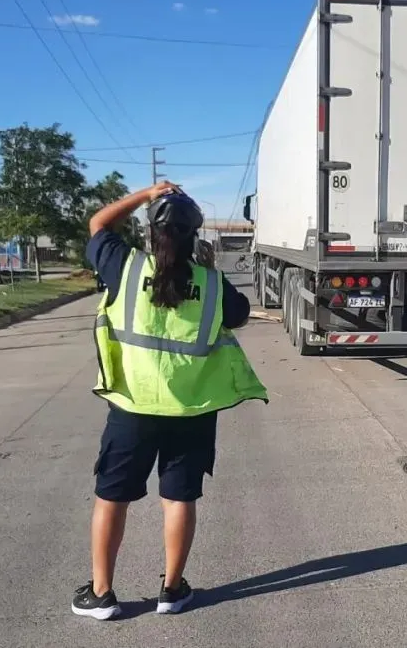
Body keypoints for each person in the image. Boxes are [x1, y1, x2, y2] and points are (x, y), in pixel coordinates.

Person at [73, 181, 268, 620]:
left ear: (149, 232)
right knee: (179, 499)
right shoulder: (215, 286)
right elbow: (238, 316)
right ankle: (172, 590)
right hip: (190, 412)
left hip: (131, 408)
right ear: (195, 236)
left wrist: (145, 194)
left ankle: (101, 594)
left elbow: (99, 223)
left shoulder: (122, 265)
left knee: (112, 496)